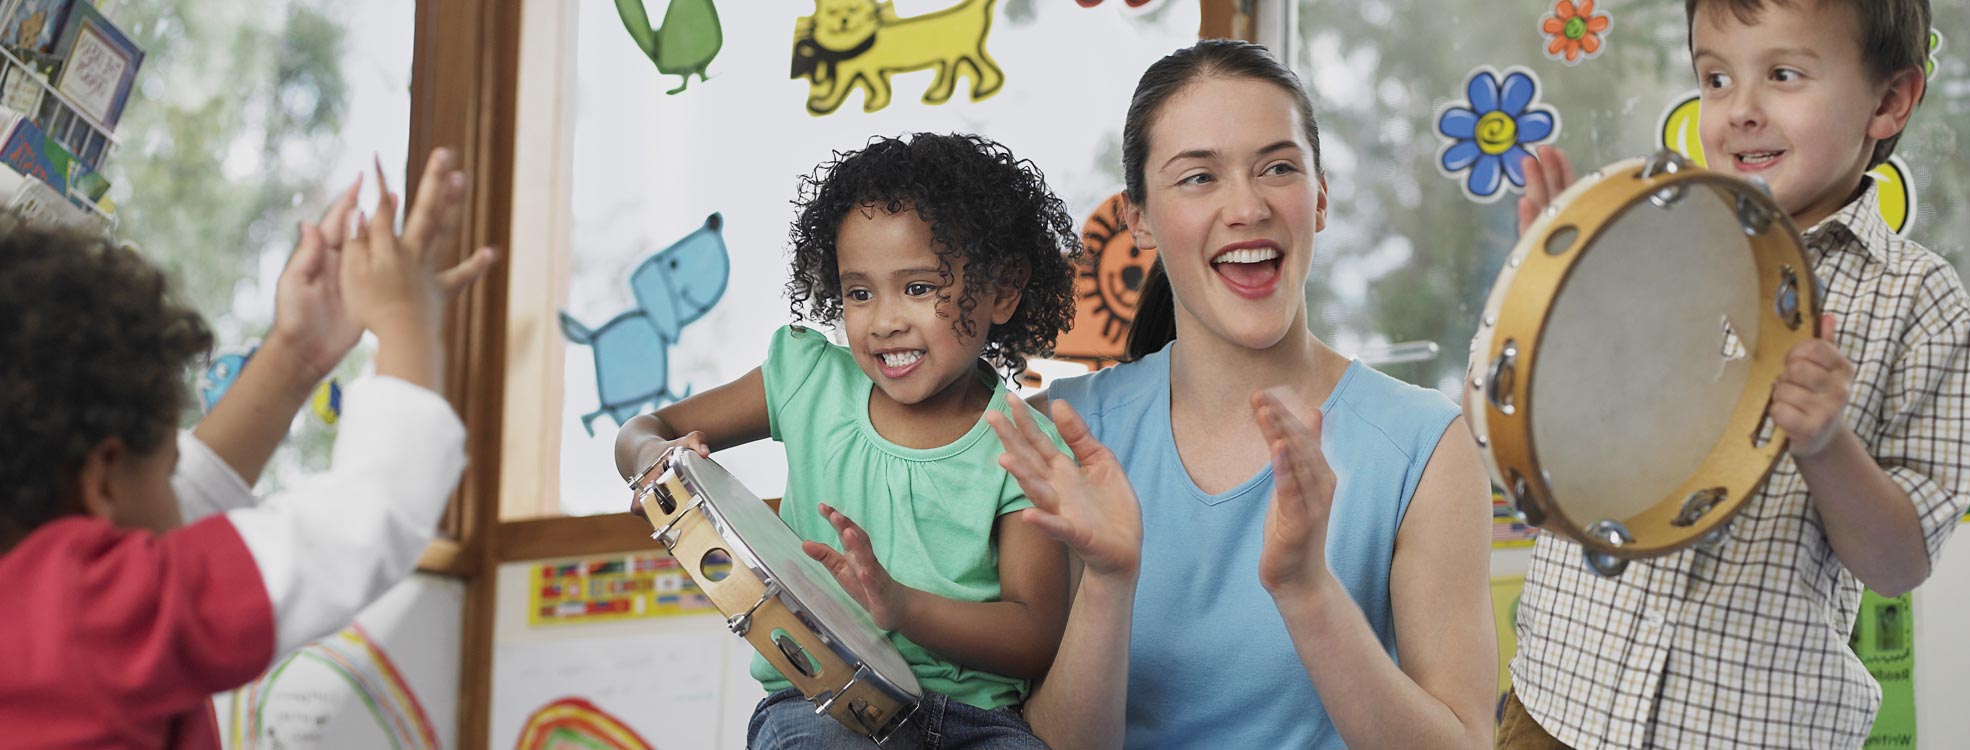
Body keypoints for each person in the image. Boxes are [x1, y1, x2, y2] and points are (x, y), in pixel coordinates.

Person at [986, 39, 1497, 749]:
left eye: (1278, 168)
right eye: (1198, 177)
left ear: (1320, 197)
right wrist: (1107, 579)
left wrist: (1308, 591)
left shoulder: (1425, 448)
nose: (1248, 207)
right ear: (1138, 219)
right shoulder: (1060, 435)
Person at [1499, 2, 1968, 748]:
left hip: (1752, 731)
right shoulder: (1649, 237)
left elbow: (1898, 564)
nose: (1739, 110)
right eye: (1715, 78)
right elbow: (1564, 442)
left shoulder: (1922, 300)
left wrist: (1825, 444)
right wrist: (1559, 305)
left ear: (1889, 100)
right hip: (1559, 706)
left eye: (1782, 74)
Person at [0, 148, 497, 749]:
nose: (178, 499)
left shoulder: (28, 609)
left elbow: (176, 512)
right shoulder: (93, 615)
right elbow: (365, 520)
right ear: (102, 479)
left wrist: (298, 357)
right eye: (167, 468)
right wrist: (403, 319)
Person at [612, 132, 1080, 749]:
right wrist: (654, 458)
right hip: (823, 706)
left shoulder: (1026, 449)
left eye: (918, 288)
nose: (883, 321)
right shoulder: (808, 381)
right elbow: (643, 431)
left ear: (1003, 290)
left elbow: (1035, 637)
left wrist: (900, 607)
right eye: (859, 292)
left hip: (974, 724)